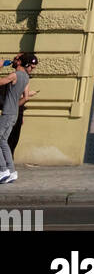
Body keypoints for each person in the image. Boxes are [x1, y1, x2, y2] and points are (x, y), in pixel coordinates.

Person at [0, 53, 38, 183]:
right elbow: (26, 97)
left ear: (21, 62)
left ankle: (2, 170)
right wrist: (14, 106)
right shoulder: (26, 78)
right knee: (3, 141)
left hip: (7, 114)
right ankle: (11, 171)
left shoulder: (14, 75)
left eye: (17, 59)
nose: (15, 61)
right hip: (14, 113)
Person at [8, 55, 38, 154]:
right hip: (12, 112)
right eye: (31, 67)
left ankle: (7, 166)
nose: (32, 69)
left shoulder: (22, 76)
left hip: (16, 112)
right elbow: (22, 96)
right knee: (7, 141)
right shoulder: (19, 76)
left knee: (11, 142)